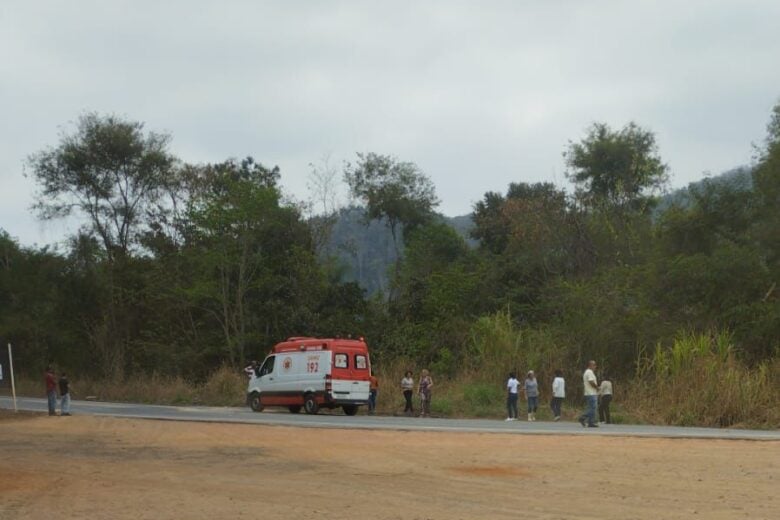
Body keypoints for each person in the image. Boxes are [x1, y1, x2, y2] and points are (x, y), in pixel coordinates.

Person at [578, 360, 599, 428]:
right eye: (594, 365)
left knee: (591, 407)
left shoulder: (587, 372)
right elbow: (591, 381)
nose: (595, 366)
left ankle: (590, 422)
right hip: (591, 393)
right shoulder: (589, 372)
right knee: (593, 408)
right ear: (590, 365)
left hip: (589, 393)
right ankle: (583, 418)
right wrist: (597, 387)